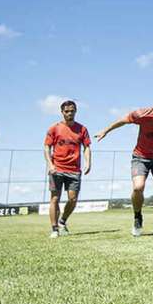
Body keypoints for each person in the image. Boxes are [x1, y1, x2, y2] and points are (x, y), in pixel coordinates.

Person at [95, 86, 153, 237]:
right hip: (141, 157)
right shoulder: (142, 114)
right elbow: (122, 120)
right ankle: (137, 216)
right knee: (138, 187)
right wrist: (105, 131)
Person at [43, 100, 91, 238]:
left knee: (73, 199)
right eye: (67, 111)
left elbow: (87, 147)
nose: (70, 113)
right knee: (55, 199)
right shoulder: (54, 128)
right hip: (56, 169)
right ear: (62, 112)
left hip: (74, 170)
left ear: (76, 111)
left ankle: (62, 221)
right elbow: (47, 147)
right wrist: (50, 165)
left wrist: (88, 162)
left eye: (72, 111)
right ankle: (54, 229)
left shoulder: (82, 129)